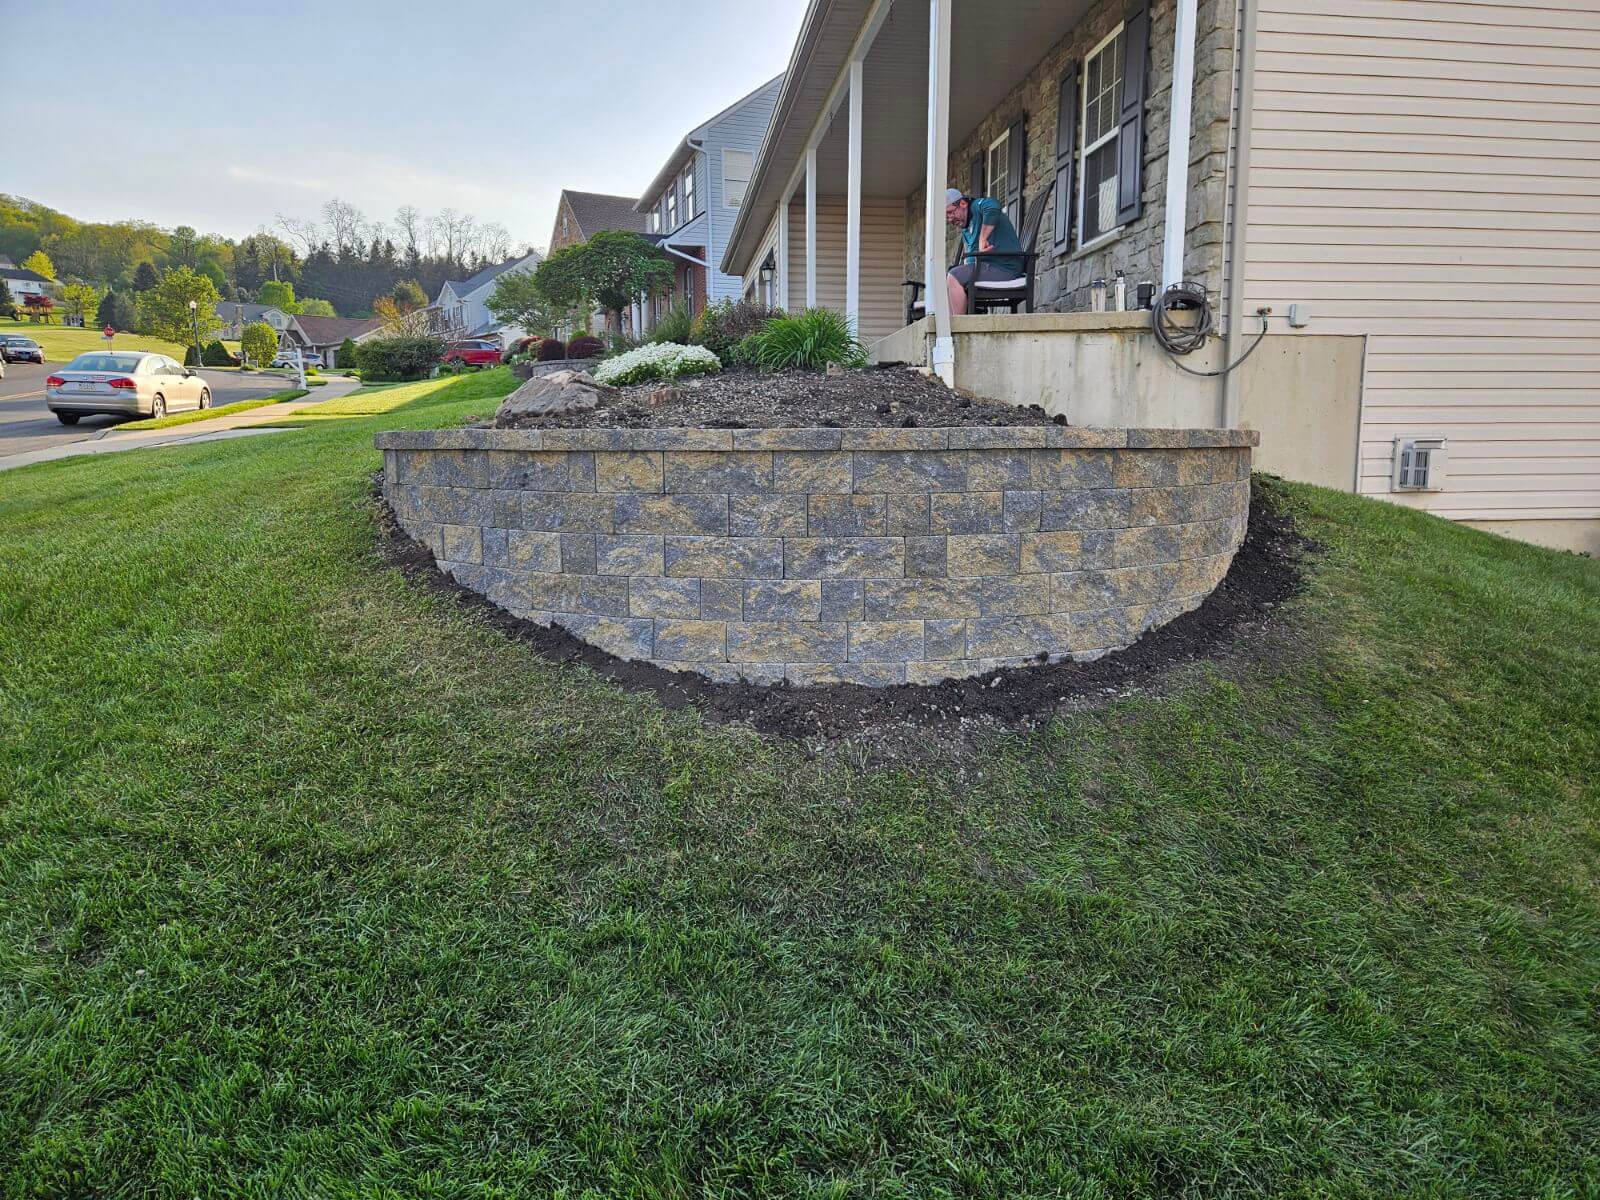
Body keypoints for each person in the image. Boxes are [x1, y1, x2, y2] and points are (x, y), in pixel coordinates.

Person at [943, 187, 1025, 316]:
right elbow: (971, 260)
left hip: (1005, 268)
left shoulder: (976, 206)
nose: (949, 219)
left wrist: (983, 238)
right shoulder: (967, 227)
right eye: (946, 216)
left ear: (963, 203)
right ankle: (949, 329)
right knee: (948, 277)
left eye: (950, 212)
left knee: (954, 276)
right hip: (991, 268)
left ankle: (958, 329)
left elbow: (993, 206)